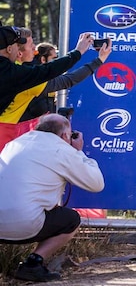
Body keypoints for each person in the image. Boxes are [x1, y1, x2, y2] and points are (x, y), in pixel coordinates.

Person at [0, 113, 105, 282]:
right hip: (22, 226)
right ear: (65, 135)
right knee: (71, 219)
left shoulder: (14, 144)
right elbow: (96, 183)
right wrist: (78, 152)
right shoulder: (62, 150)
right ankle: (33, 264)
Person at [0, 32, 112, 152]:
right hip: (5, 134)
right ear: (18, 52)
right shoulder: (25, 79)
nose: (35, 48)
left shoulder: (14, 70)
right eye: (31, 44)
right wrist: (98, 60)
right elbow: (68, 80)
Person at [0, 27, 94, 116]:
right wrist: (86, 55)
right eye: (17, 45)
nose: (34, 48)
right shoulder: (15, 74)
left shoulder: (15, 70)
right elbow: (63, 78)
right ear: (10, 49)